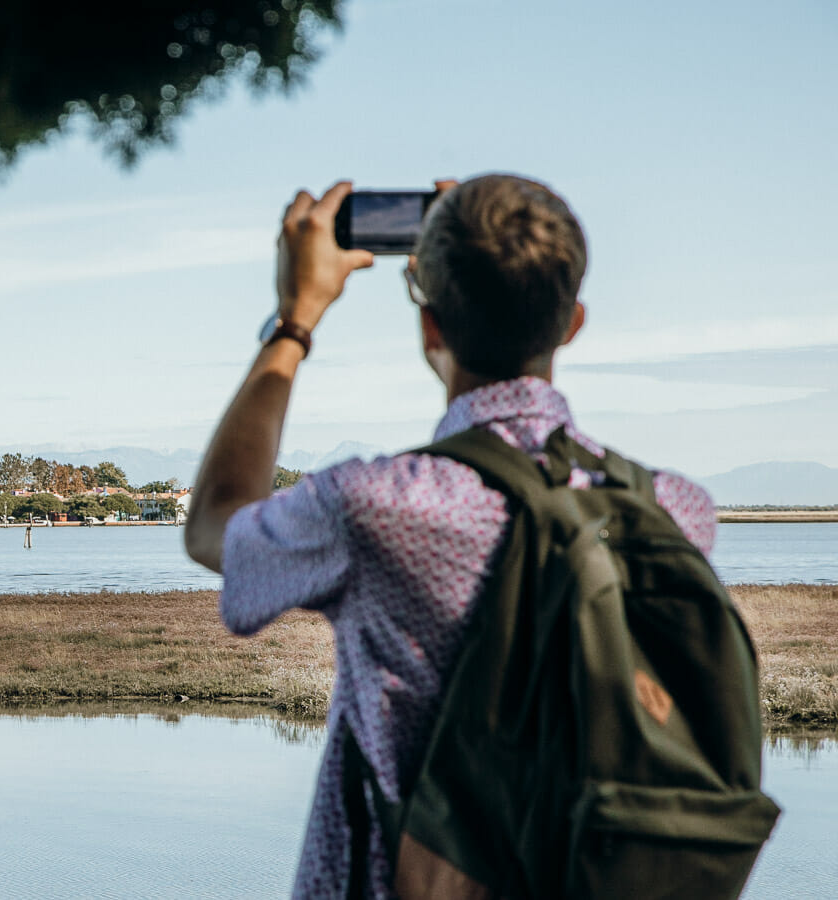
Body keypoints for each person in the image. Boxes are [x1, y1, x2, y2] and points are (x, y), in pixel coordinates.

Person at [183, 175, 716, 898]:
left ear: (430, 329)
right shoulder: (676, 512)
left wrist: (294, 320)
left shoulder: (378, 507)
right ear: (572, 323)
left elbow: (217, 522)